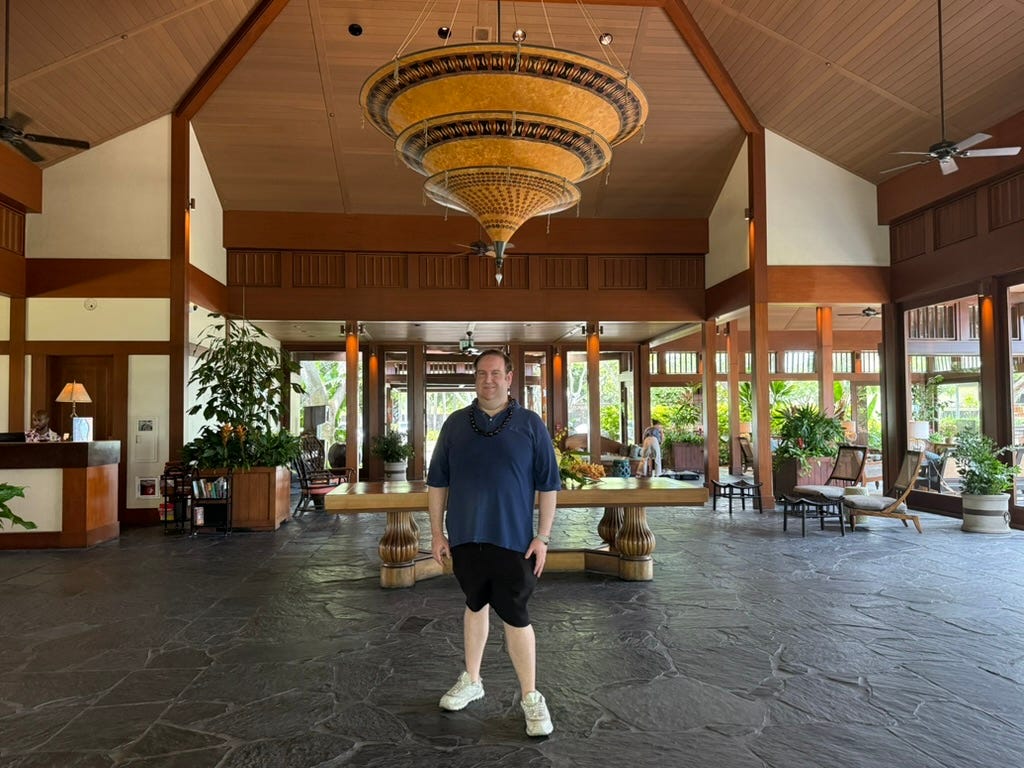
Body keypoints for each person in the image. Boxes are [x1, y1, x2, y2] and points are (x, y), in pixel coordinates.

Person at [427, 349, 560, 737]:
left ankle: (531, 697)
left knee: (516, 614)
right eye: (482, 373)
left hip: (513, 540)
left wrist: (543, 537)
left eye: (496, 373)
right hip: (466, 537)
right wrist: (437, 533)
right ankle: (472, 679)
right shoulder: (454, 425)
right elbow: (438, 483)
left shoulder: (530, 425)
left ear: (509, 378)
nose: (489, 379)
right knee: (474, 603)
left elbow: (548, 485)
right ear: (475, 378)